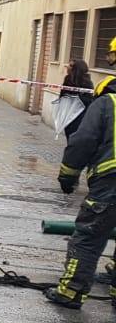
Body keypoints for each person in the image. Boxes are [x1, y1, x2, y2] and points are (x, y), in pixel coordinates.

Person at [49, 75, 116, 309]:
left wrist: (68, 175)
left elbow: (83, 140)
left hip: (110, 183)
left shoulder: (106, 103)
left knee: (88, 238)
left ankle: (71, 292)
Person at [60, 59, 95, 141]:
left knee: (76, 139)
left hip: (80, 116)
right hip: (68, 114)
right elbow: (62, 96)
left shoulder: (87, 82)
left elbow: (88, 101)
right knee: (69, 137)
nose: (67, 67)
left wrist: (76, 97)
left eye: (71, 66)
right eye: (69, 65)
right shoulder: (68, 79)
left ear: (77, 69)